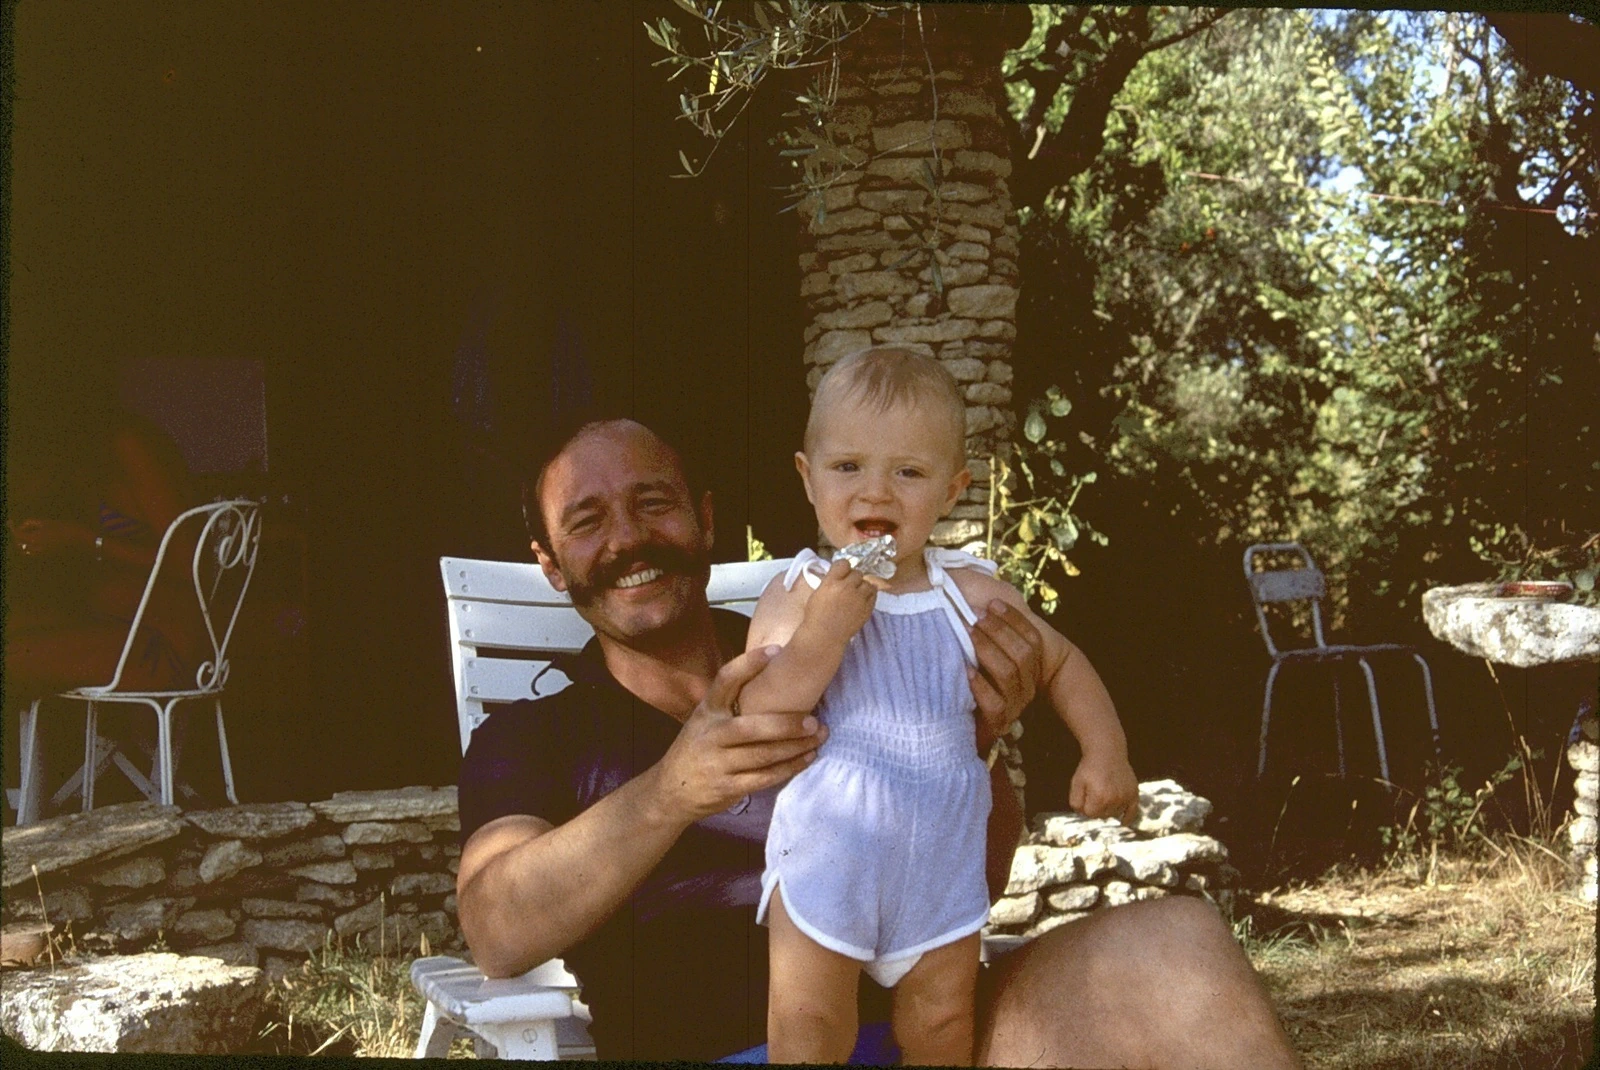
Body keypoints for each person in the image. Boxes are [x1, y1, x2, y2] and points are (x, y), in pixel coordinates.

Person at [456, 413, 1302, 1067]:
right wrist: (673, 792)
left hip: (937, 1029)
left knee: (1177, 942)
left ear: (704, 520)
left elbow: (983, 876)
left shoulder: (843, 636)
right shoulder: (534, 735)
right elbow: (497, 931)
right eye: (587, 521)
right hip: (737, 1047)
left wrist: (970, 744)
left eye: (653, 503)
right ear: (552, 564)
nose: (629, 539)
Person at [737, 347, 1139, 1064]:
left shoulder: (972, 592)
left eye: (909, 473)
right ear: (807, 477)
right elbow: (761, 715)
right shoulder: (798, 593)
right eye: (848, 467)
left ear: (952, 492)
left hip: (941, 852)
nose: (876, 493)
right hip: (831, 851)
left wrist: (1105, 751)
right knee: (808, 1024)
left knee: (943, 1024)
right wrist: (822, 637)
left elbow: (1061, 660)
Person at [5, 400, 202, 812]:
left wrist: (84, 541)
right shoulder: (84, 463)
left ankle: (23, 802)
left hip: (159, 645)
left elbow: (188, 560)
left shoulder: (129, 446)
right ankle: (25, 796)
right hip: (118, 627)